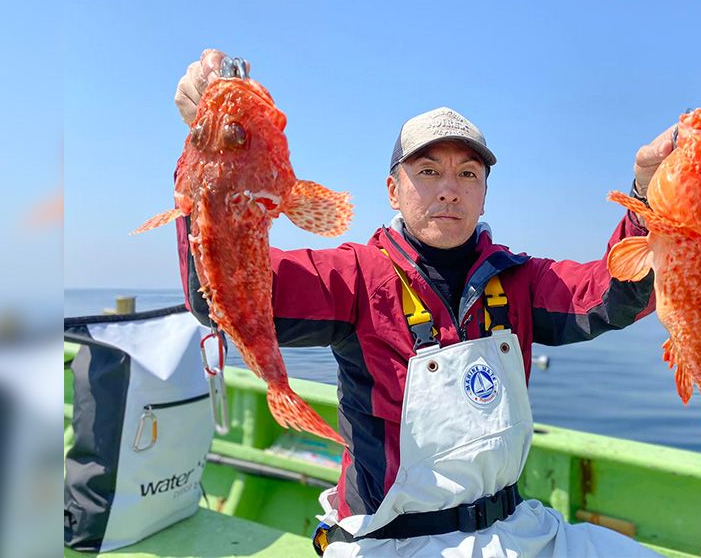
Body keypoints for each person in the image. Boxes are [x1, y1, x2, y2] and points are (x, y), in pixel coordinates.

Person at [174, 49, 675, 557]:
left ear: (484, 193)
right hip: (392, 540)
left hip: (517, 527)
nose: (450, 191)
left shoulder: (521, 279)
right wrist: (210, 150)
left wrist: (647, 197)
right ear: (394, 190)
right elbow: (220, 296)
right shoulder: (355, 276)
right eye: (429, 171)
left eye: (468, 175)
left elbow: (616, 296)